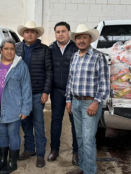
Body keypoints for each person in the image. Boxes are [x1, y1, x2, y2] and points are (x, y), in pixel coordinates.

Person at [0, 38, 32, 174]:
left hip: (14, 108)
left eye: (12, 49)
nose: (9, 51)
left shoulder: (21, 66)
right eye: (6, 49)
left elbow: (27, 88)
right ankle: (3, 160)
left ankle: (12, 162)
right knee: (2, 134)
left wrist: (26, 108)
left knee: (13, 134)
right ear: (1, 50)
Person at [65, 24, 110, 174]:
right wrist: (68, 100)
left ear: (90, 39)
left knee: (89, 138)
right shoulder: (75, 57)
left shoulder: (98, 57)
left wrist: (96, 102)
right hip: (76, 102)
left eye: (84, 37)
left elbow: (104, 83)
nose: (81, 40)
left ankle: (90, 171)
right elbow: (70, 80)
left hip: (90, 103)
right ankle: (83, 167)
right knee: (80, 137)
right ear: (75, 40)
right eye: (78, 37)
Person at [15, 21, 53, 168]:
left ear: (37, 34)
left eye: (32, 31)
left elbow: (49, 72)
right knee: (25, 123)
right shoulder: (16, 48)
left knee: (38, 124)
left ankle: (40, 154)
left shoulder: (44, 50)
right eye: (27, 31)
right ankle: (29, 149)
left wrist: (45, 92)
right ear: (23, 34)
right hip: (20, 94)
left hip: (37, 93)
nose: (29, 34)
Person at [47, 22, 79, 165]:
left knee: (75, 122)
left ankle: (76, 152)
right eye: (58, 31)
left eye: (63, 31)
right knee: (56, 120)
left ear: (69, 32)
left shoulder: (76, 48)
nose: (60, 34)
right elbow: (48, 70)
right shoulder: (51, 48)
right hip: (57, 90)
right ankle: (54, 149)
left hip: (73, 91)